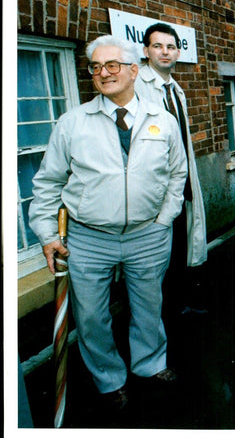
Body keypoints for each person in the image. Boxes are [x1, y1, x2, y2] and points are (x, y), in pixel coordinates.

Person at [29, 35, 187, 411]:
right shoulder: (72, 123)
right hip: (88, 238)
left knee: (149, 307)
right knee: (92, 317)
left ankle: (150, 364)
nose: (103, 73)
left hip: (148, 234)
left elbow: (177, 174)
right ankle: (108, 378)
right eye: (96, 67)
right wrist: (48, 235)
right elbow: (48, 182)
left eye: (112, 65)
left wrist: (164, 219)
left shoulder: (161, 121)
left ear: (134, 70)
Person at [135, 23, 208, 324]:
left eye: (170, 47)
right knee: (155, 256)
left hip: (180, 181)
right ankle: (159, 319)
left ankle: (178, 306)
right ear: (145, 51)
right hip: (154, 187)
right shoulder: (137, 84)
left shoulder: (175, 89)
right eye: (157, 46)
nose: (164, 52)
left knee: (179, 247)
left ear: (178, 51)